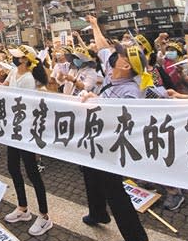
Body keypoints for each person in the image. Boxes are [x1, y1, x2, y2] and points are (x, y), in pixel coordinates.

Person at [79, 15, 149, 241]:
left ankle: (136, 237)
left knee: (114, 191)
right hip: (95, 138)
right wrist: (94, 25)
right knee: (88, 172)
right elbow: (101, 47)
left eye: (119, 54)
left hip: (111, 146)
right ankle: (98, 213)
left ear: (126, 65)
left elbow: (129, 120)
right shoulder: (112, 72)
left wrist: (97, 102)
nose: (113, 54)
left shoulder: (131, 90)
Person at [2, 45, 52, 237]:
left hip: (25, 130)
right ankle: (23, 208)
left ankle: (44, 216)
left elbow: (27, 106)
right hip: (12, 129)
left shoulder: (29, 79)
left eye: (17, 56)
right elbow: (4, 87)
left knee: (32, 172)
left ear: (25, 60)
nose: (13, 58)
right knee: (13, 167)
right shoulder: (14, 71)